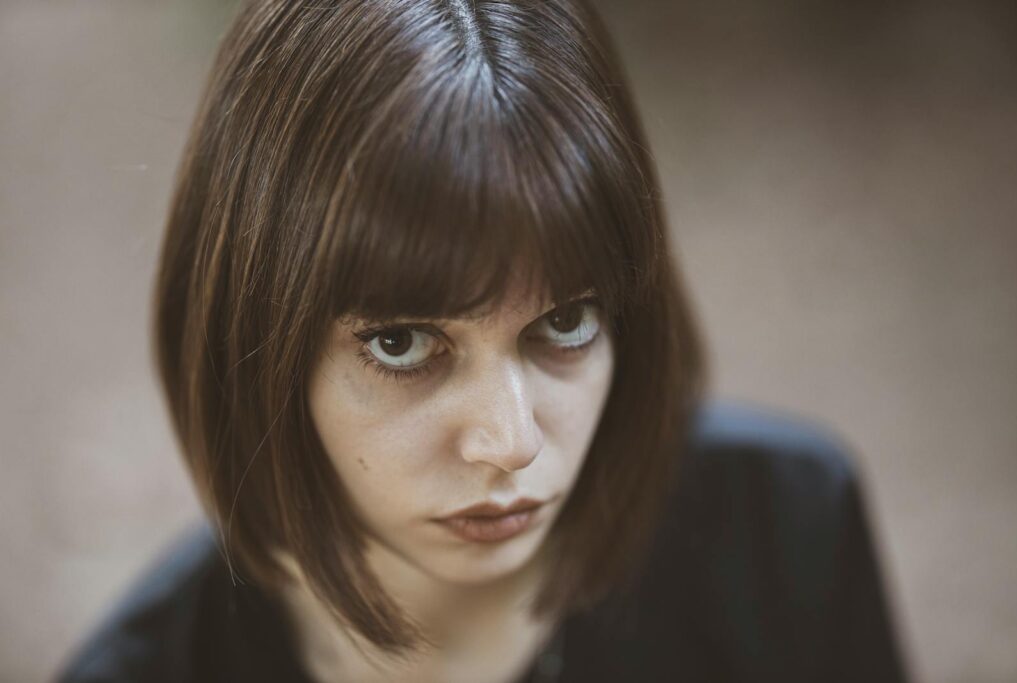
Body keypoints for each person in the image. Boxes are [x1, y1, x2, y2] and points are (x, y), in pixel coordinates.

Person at [58, 1, 907, 681]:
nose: (511, 442)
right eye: (399, 342)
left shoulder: (784, 536)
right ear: (257, 347)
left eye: (564, 323)